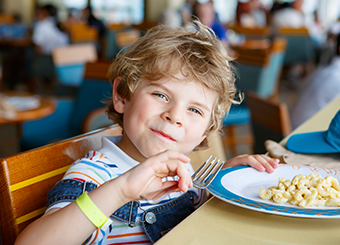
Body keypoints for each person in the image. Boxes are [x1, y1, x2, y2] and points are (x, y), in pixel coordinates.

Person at [15, 21, 279, 245]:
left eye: (195, 111)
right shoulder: (95, 176)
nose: (174, 116)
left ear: (204, 134)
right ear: (122, 96)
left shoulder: (187, 178)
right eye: (161, 94)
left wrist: (220, 185)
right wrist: (120, 192)